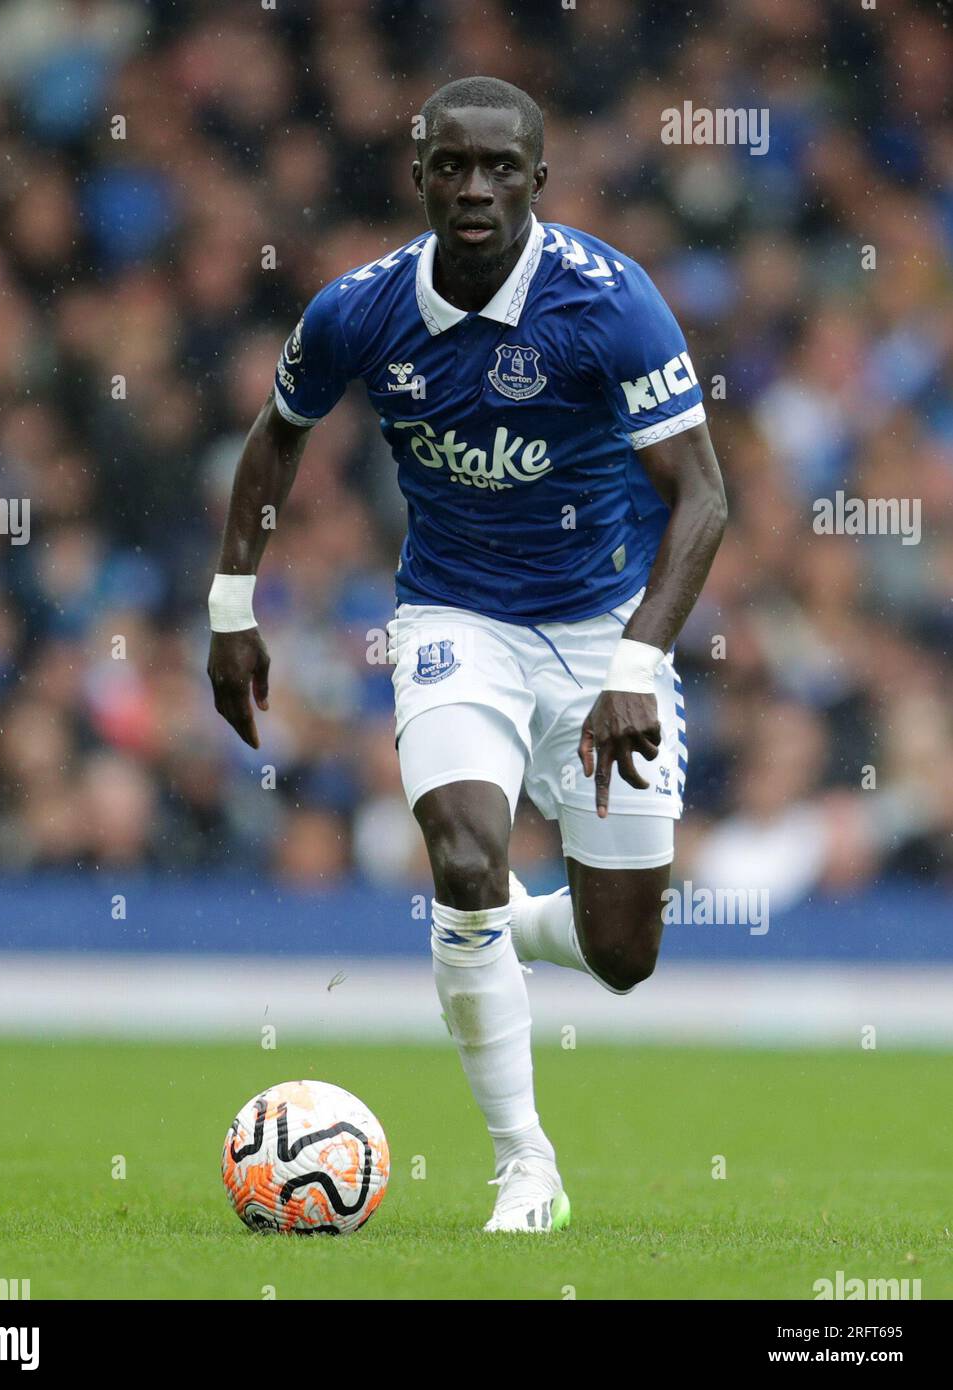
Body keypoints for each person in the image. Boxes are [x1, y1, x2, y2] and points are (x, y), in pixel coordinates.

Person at [207, 76, 726, 1233]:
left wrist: (636, 665)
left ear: (540, 178)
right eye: (455, 165)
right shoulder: (361, 307)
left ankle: (507, 919)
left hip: (602, 630)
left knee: (626, 951)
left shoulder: (610, 302)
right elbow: (274, 438)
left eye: (501, 167)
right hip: (453, 620)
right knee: (459, 851)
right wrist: (231, 605)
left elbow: (702, 496)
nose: (477, 187)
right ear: (421, 175)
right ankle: (524, 1167)